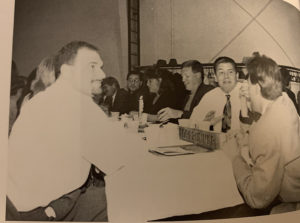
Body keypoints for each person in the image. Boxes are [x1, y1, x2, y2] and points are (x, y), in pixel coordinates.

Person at [7, 41, 146, 221]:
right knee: (132, 198)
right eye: (92, 66)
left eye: (101, 67)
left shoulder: (41, 99)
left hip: (14, 204)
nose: (102, 74)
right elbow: (117, 160)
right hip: (40, 212)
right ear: (66, 71)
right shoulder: (78, 104)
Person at [223, 54, 300, 214]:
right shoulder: (284, 101)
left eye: (247, 86)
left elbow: (256, 198)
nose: (246, 92)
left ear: (258, 86)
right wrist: (248, 137)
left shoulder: (267, 129)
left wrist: (234, 157)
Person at [190, 57, 244, 132]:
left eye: (230, 72)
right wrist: (205, 123)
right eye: (221, 73)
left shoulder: (247, 93)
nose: (226, 77)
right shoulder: (210, 96)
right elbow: (192, 123)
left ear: (237, 76)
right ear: (215, 77)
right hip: (218, 141)